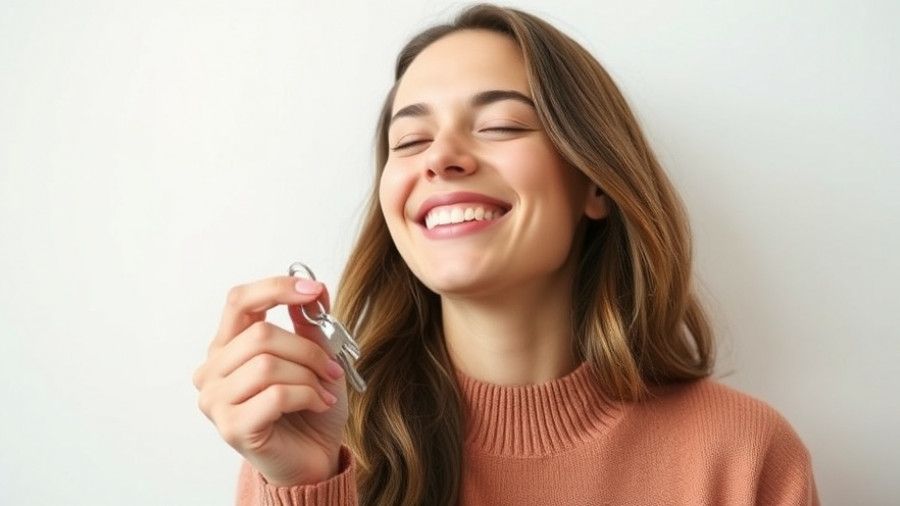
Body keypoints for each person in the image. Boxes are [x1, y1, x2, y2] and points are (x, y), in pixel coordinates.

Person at [192, 4, 819, 505]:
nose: (440, 157)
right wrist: (309, 488)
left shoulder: (742, 455)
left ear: (594, 180)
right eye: (409, 140)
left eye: (500, 126)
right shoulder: (316, 443)